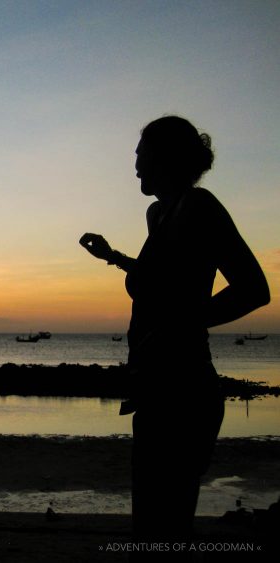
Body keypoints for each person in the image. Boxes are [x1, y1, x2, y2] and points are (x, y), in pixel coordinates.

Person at [79, 116, 270, 546]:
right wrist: (115, 257)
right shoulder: (159, 213)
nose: (136, 168)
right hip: (153, 387)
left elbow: (254, 289)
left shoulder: (200, 206)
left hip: (185, 391)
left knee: (165, 528)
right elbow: (160, 280)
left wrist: (183, 324)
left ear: (166, 158)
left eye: (141, 156)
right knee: (152, 524)